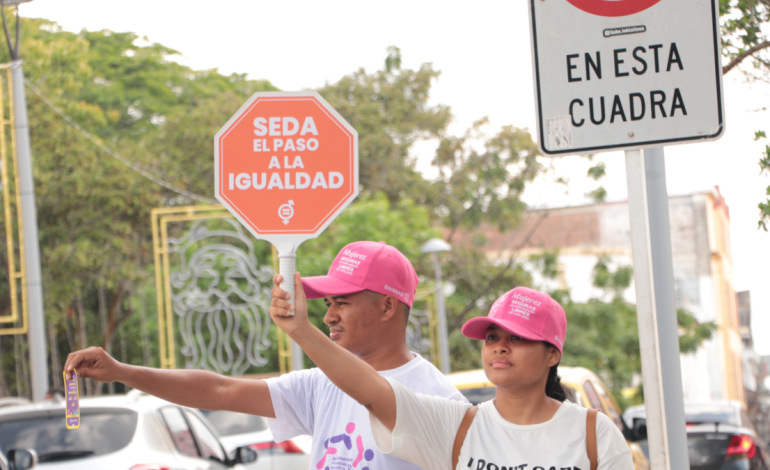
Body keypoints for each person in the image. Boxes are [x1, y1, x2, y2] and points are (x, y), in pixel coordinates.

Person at [65, 241, 466, 470]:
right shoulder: (320, 383)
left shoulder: (440, 402)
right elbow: (220, 390)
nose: (328, 315)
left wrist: (302, 331)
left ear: (387, 307)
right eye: (327, 303)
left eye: (341, 302)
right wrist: (121, 371)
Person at [269, 279, 635, 470]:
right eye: (493, 337)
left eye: (519, 338)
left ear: (552, 353)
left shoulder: (593, 432)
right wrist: (301, 330)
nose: (500, 347)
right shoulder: (457, 424)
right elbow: (371, 390)